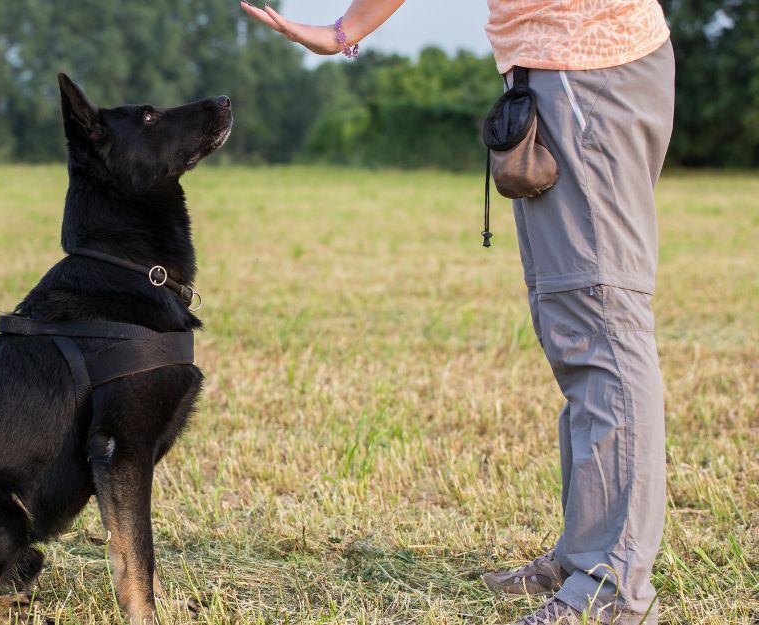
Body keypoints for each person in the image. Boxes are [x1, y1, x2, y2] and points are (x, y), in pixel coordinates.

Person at [240, 2, 673, 624]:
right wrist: (345, 32)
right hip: (562, 72)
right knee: (575, 328)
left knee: (601, 325)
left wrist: (346, 32)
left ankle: (613, 588)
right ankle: (586, 557)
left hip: (589, 71)